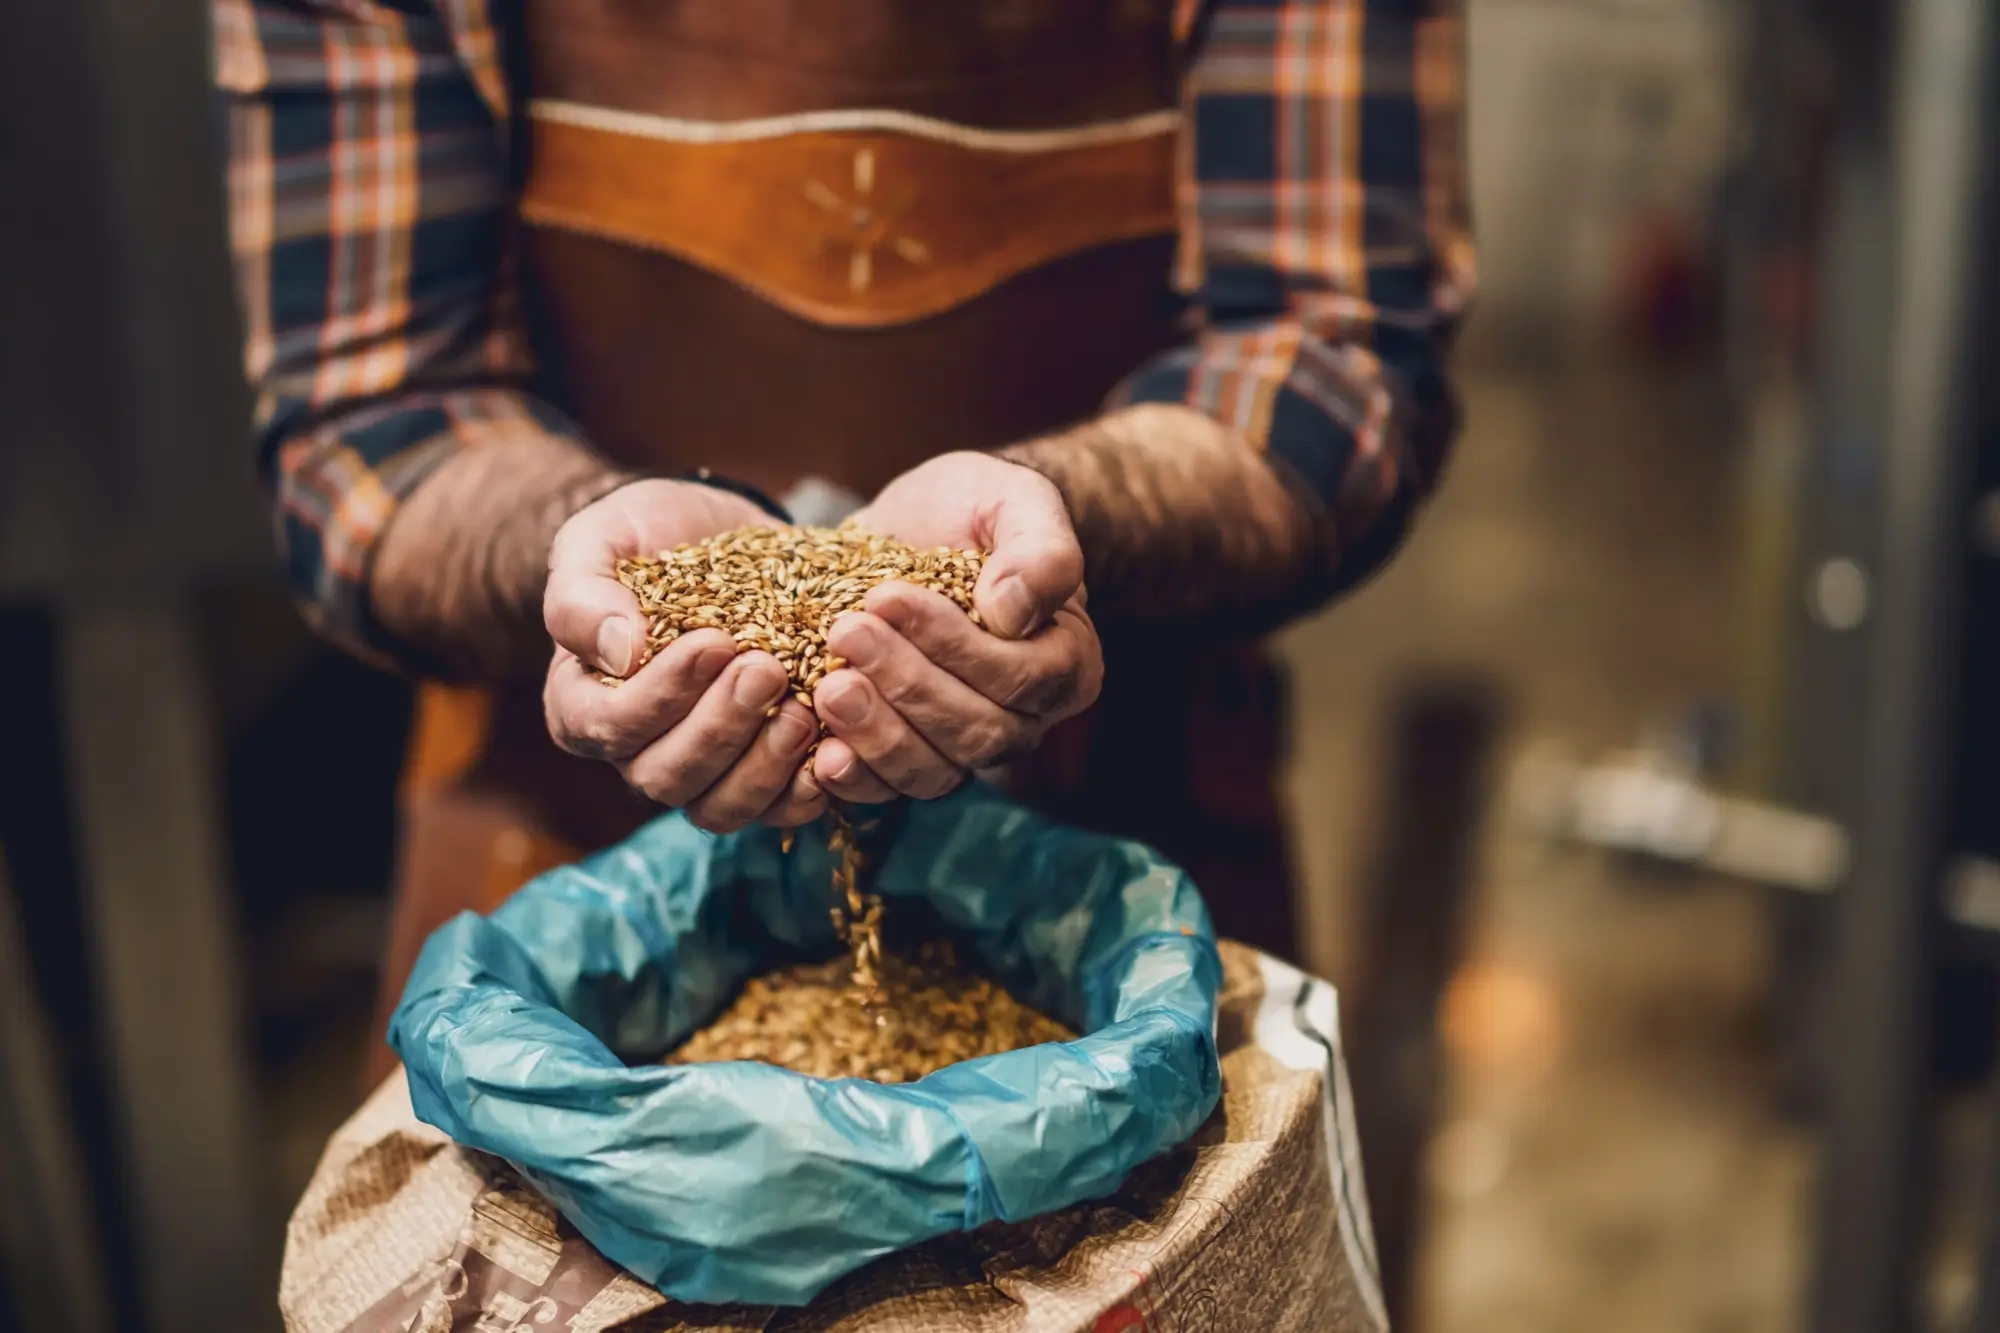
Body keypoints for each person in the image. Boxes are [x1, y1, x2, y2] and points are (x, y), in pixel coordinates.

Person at [213, 0, 1472, 1083]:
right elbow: (367, 429)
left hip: (1125, 828)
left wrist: (1060, 516)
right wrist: (604, 571)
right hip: (561, 856)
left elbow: (1332, 355)